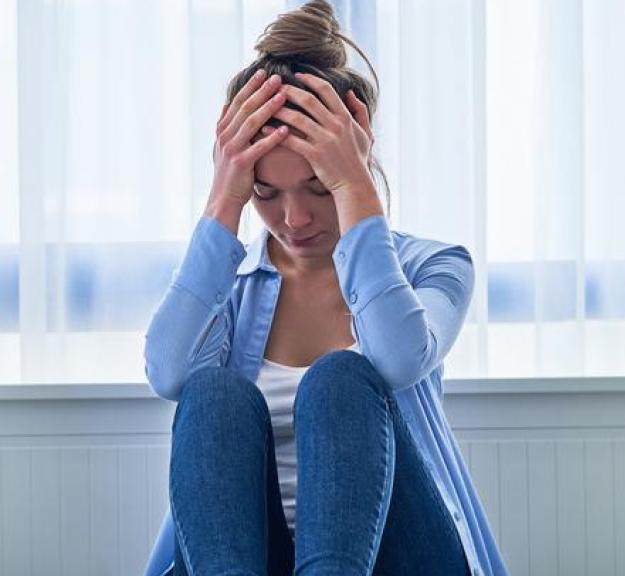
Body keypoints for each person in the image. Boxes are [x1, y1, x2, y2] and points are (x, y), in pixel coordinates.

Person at [143, 2, 507, 574]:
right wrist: (223, 199)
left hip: (399, 555)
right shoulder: (224, 287)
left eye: (317, 187)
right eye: (266, 193)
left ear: (356, 160)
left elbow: (398, 358)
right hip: (249, 561)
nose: (294, 219)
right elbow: (167, 373)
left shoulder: (434, 267)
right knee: (211, 393)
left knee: (340, 378)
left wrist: (355, 190)